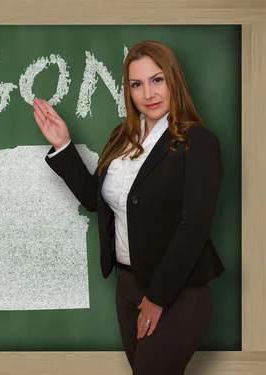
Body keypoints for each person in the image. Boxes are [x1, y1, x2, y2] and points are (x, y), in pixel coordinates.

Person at [33, 40, 225, 374]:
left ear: (173, 81)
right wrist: (63, 145)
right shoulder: (122, 137)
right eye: (137, 84)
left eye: (157, 80)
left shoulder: (198, 142)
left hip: (176, 291)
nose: (148, 93)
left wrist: (157, 297)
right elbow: (97, 200)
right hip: (128, 286)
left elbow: (193, 227)